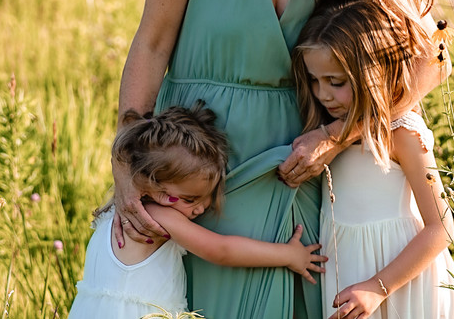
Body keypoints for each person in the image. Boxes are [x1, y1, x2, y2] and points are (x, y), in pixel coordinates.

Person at [113, 0, 446, 316]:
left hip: (302, 173)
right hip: (194, 171)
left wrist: (338, 134)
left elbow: (433, 61)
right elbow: (151, 45)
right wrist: (126, 166)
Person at [68, 103, 327, 318]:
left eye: (206, 197)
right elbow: (222, 250)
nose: (202, 207)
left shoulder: (115, 209)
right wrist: (289, 255)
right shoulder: (158, 216)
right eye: (190, 199)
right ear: (152, 186)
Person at [291, 0, 454, 319]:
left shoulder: (401, 133)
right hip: (349, 277)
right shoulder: (323, 136)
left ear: (369, 74)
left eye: (336, 82)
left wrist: (376, 287)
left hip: (402, 284)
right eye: (315, 81)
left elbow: (441, 228)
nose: (323, 94)